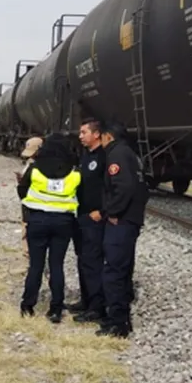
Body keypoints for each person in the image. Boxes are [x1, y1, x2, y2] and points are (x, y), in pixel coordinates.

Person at [17, 133, 81, 321]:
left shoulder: (35, 169)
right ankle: (56, 308)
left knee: (35, 265)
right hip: (63, 223)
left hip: (38, 221)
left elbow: (22, 190)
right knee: (56, 266)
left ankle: (27, 305)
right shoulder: (74, 172)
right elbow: (81, 195)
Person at [97, 122, 148, 338]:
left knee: (114, 271)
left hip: (122, 222)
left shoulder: (116, 155)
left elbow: (124, 187)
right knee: (124, 268)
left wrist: (112, 212)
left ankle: (117, 322)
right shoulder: (131, 155)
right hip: (132, 220)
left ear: (108, 136)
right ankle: (122, 317)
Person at [68, 117, 107, 323]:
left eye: (84, 132)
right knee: (82, 259)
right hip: (80, 216)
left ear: (96, 134)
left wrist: (102, 210)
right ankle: (85, 299)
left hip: (95, 218)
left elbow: (111, 188)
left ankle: (97, 307)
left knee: (93, 262)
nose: (80, 136)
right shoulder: (85, 157)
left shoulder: (104, 157)